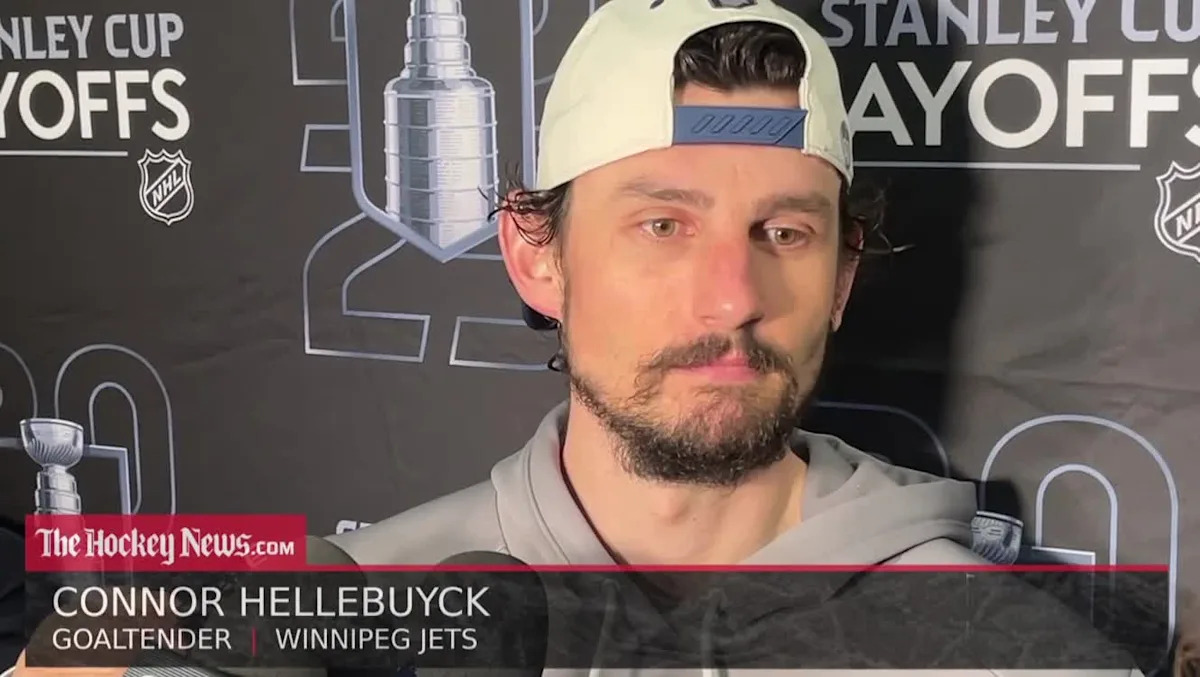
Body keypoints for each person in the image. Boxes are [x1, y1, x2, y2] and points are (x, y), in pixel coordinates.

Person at [10, 0, 1145, 674]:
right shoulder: (364, 612)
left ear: (842, 275)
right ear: (536, 255)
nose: (730, 296)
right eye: (663, 222)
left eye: (784, 230)